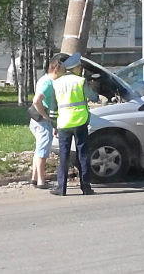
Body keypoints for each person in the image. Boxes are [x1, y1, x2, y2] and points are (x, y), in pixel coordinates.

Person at [50, 52, 98, 196]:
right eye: (79, 66)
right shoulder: (80, 81)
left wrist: (54, 126)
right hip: (80, 122)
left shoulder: (56, 83)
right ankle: (86, 187)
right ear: (75, 68)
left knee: (63, 156)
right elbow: (94, 97)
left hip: (63, 123)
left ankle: (61, 188)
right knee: (82, 154)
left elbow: (53, 108)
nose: (81, 68)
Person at [29, 57, 64, 189]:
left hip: (35, 120)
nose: (64, 74)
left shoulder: (43, 79)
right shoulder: (49, 83)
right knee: (42, 152)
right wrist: (46, 116)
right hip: (42, 121)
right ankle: (41, 182)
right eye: (63, 71)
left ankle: (34, 178)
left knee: (38, 150)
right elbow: (36, 100)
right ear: (56, 69)